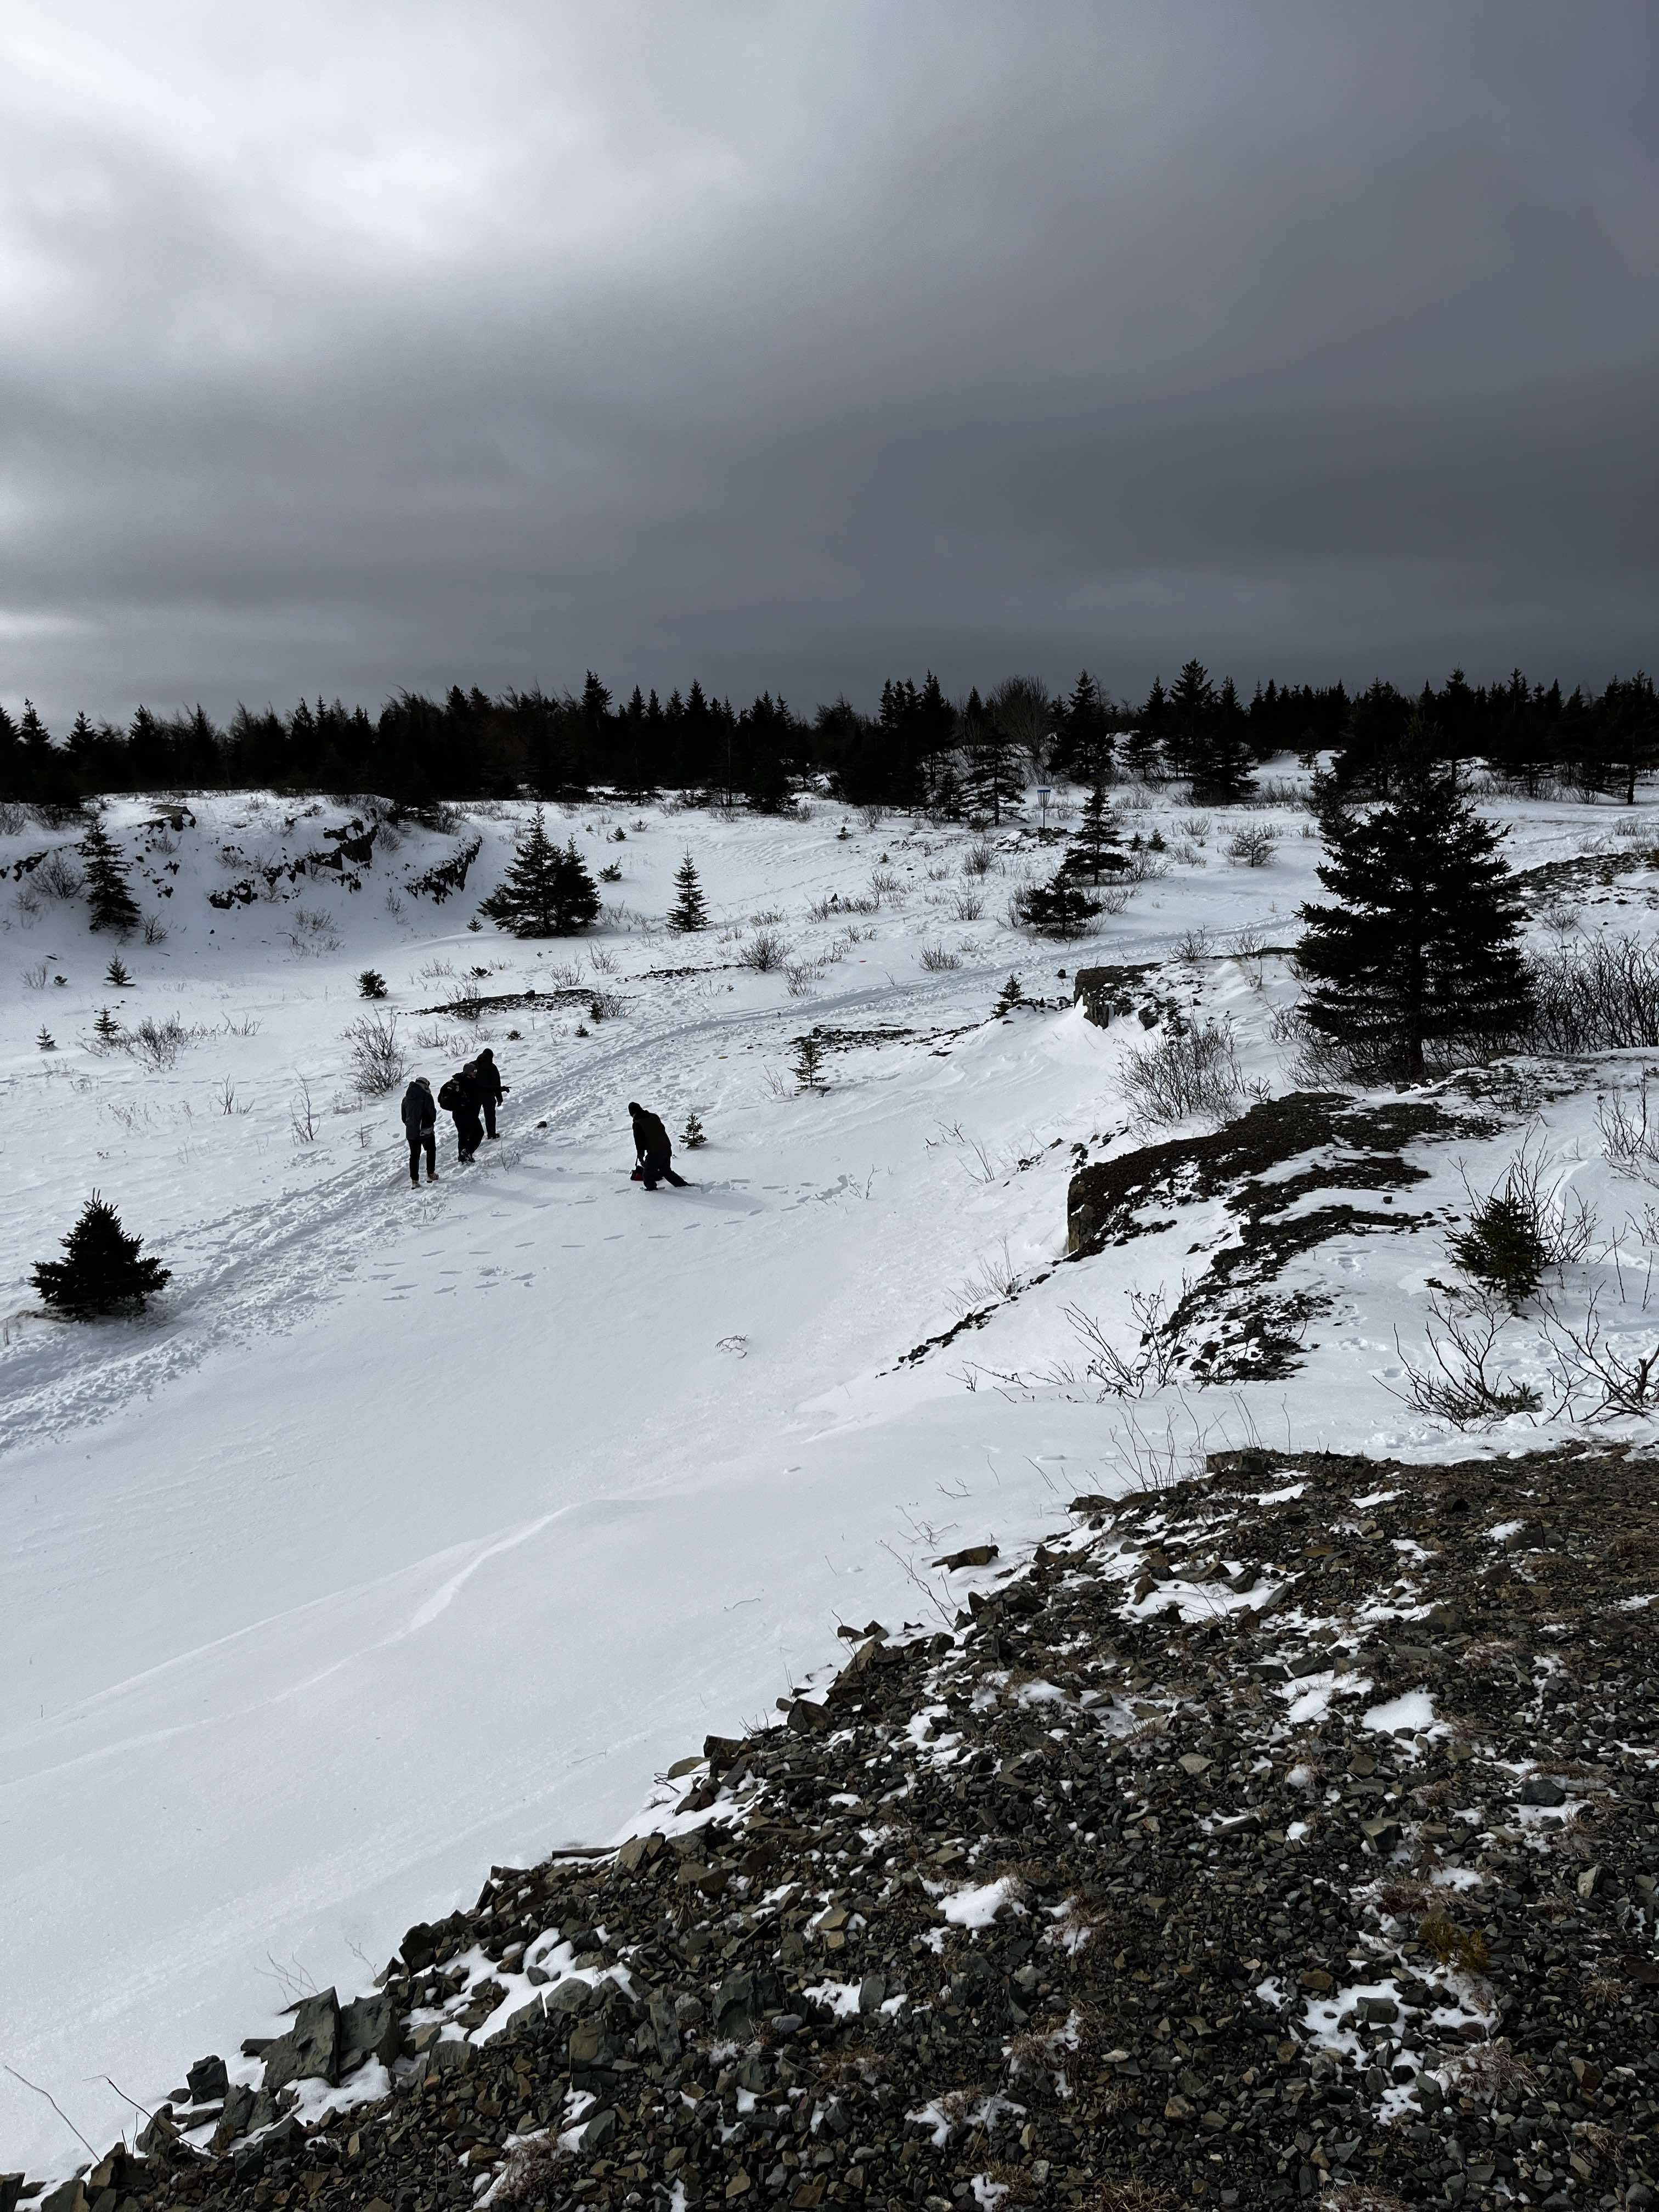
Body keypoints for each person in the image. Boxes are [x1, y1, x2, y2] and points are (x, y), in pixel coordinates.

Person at [629, 1100, 687, 1190]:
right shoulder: (654, 1116)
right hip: (667, 1147)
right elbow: (661, 1130)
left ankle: (652, 1192)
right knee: (666, 1171)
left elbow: (639, 1143)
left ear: (632, 1113)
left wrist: (640, 1157)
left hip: (655, 1152)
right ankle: (684, 1186)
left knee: (647, 1175)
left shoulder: (637, 1124)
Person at [438, 1064, 484, 1165]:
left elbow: (440, 1098)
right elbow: (477, 1096)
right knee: (479, 1133)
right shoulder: (469, 1082)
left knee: (463, 1135)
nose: (475, 1073)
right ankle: (467, 1152)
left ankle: (463, 1159)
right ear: (469, 1072)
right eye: (474, 1072)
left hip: (457, 1114)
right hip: (469, 1113)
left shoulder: (456, 1081)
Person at [400, 1075, 438, 1186]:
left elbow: (404, 1118)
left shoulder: (406, 1099)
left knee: (414, 1155)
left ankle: (414, 1181)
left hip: (412, 1132)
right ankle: (431, 1174)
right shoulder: (427, 1096)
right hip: (426, 1131)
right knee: (431, 1151)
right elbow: (432, 1116)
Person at [468, 1047, 508, 1139]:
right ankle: (492, 1135)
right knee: (490, 1116)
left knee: (473, 1116)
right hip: (488, 1096)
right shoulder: (492, 1067)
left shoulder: (472, 1065)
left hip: (475, 1096)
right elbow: (497, 1084)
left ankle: (470, 1136)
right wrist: (499, 1099)